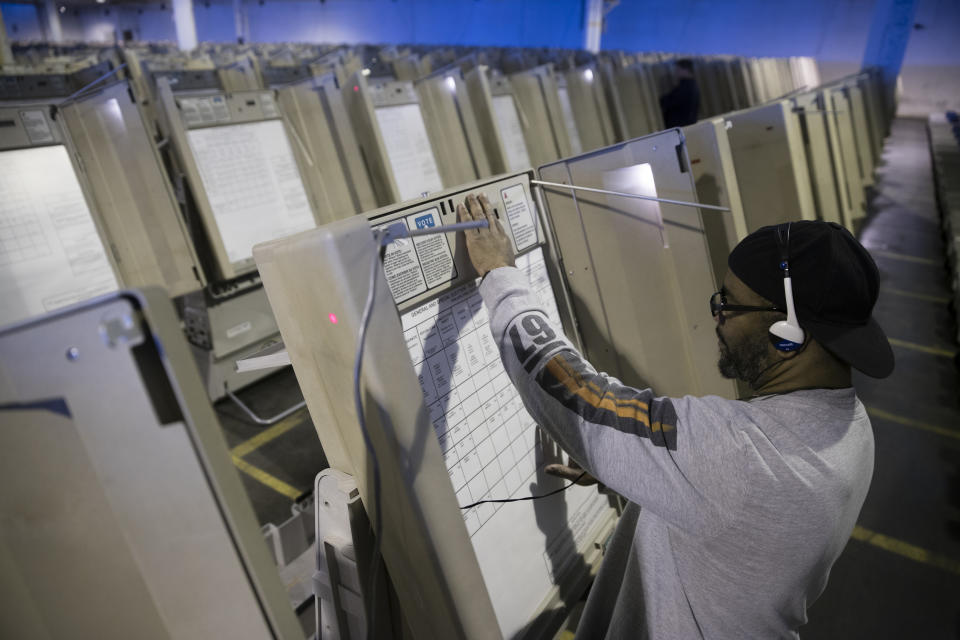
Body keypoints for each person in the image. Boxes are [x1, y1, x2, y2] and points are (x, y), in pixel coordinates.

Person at [456, 193, 894, 639]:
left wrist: (500, 275)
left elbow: (584, 400)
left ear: (789, 332)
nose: (718, 318)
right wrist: (646, 469)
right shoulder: (851, 425)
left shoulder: (742, 454)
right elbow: (736, 515)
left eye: (730, 304)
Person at [660, 58, 700, 128]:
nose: (676, 72)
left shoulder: (685, 87)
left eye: (678, 70)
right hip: (688, 126)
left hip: (680, 128)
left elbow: (667, 101)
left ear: (686, 70)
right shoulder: (692, 85)